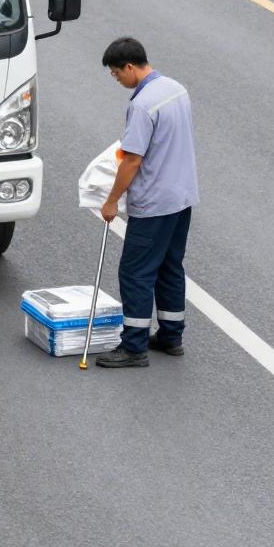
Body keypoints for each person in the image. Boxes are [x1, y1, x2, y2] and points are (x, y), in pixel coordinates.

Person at [97, 37, 198, 369]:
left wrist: (112, 201)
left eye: (115, 74)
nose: (117, 81)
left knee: (135, 272)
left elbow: (132, 161)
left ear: (129, 67)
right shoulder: (176, 89)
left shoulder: (142, 105)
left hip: (154, 202)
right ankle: (172, 336)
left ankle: (134, 346)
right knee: (170, 265)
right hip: (181, 197)